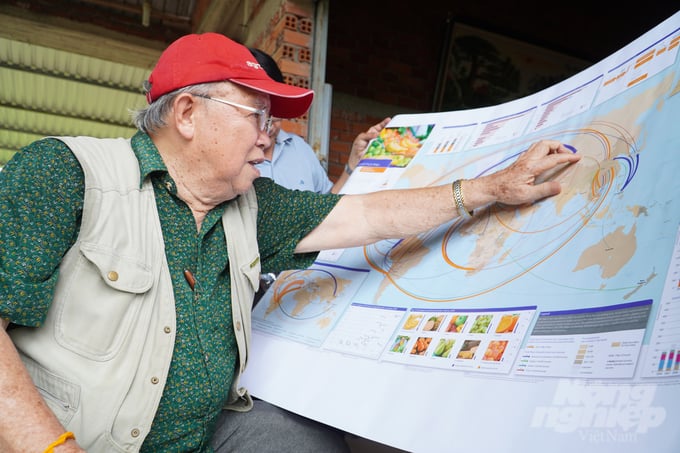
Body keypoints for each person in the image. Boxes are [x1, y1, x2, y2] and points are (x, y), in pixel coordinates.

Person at [0, 32, 581, 453]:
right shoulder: (64, 172)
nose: (269, 138)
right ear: (186, 113)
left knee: (299, 436)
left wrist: (488, 188)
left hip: (198, 436)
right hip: (77, 441)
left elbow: (365, 216)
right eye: (258, 116)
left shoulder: (254, 204)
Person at [249, 47, 390, 194]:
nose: (267, 127)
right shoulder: (233, 155)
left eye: (274, 114)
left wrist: (353, 163)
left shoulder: (299, 147)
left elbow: (326, 206)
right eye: (258, 114)